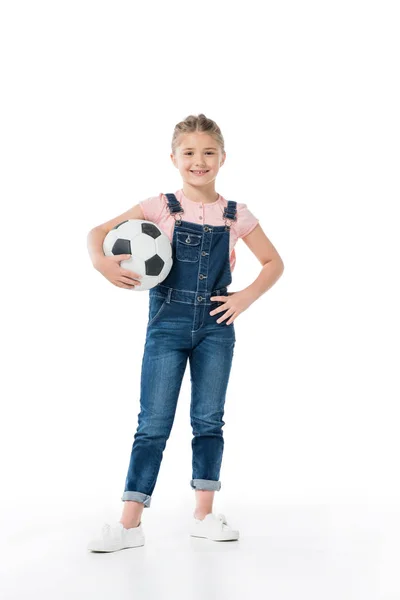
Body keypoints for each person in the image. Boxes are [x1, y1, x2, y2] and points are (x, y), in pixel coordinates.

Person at [86, 113, 284, 552]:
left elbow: (274, 264)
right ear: (174, 158)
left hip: (216, 327)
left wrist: (244, 297)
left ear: (223, 158)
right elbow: (98, 232)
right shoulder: (160, 206)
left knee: (208, 420)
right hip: (167, 324)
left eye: (208, 152)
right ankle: (129, 524)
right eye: (190, 153)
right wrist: (102, 263)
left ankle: (205, 515)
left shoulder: (236, 214)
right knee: (153, 423)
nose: (199, 161)